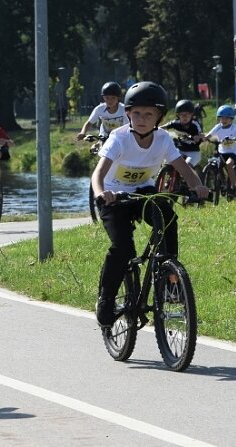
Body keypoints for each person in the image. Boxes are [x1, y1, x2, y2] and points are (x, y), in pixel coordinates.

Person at [91, 81, 208, 328]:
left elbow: (184, 168)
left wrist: (198, 186)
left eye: (148, 114)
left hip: (144, 192)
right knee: (122, 247)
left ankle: (169, 279)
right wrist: (102, 193)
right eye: (136, 114)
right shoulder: (119, 139)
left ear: (159, 117)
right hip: (115, 195)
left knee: (169, 222)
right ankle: (106, 298)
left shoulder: (163, 139)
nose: (141, 119)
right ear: (128, 115)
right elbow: (98, 175)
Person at [204, 105, 236, 196]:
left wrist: (234, 139)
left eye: (227, 118)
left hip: (232, 152)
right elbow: (209, 135)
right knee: (217, 165)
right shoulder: (218, 127)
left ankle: (234, 186)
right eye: (222, 118)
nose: (224, 120)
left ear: (231, 119)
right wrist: (204, 138)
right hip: (221, 152)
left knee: (228, 164)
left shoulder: (235, 128)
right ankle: (222, 183)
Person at [160, 99, 204, 167]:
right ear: (178, 115)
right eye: (182, 115)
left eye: (187, 114)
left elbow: (201, 134)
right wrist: (153, 129)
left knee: (187, 166)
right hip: (180, 150)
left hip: (193, 152)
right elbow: (163, 127)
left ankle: (192, 177)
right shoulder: (175, 123)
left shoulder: (195, 124)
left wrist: (198, 137)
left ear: (192, 115)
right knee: (168, 162)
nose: (185, 117)